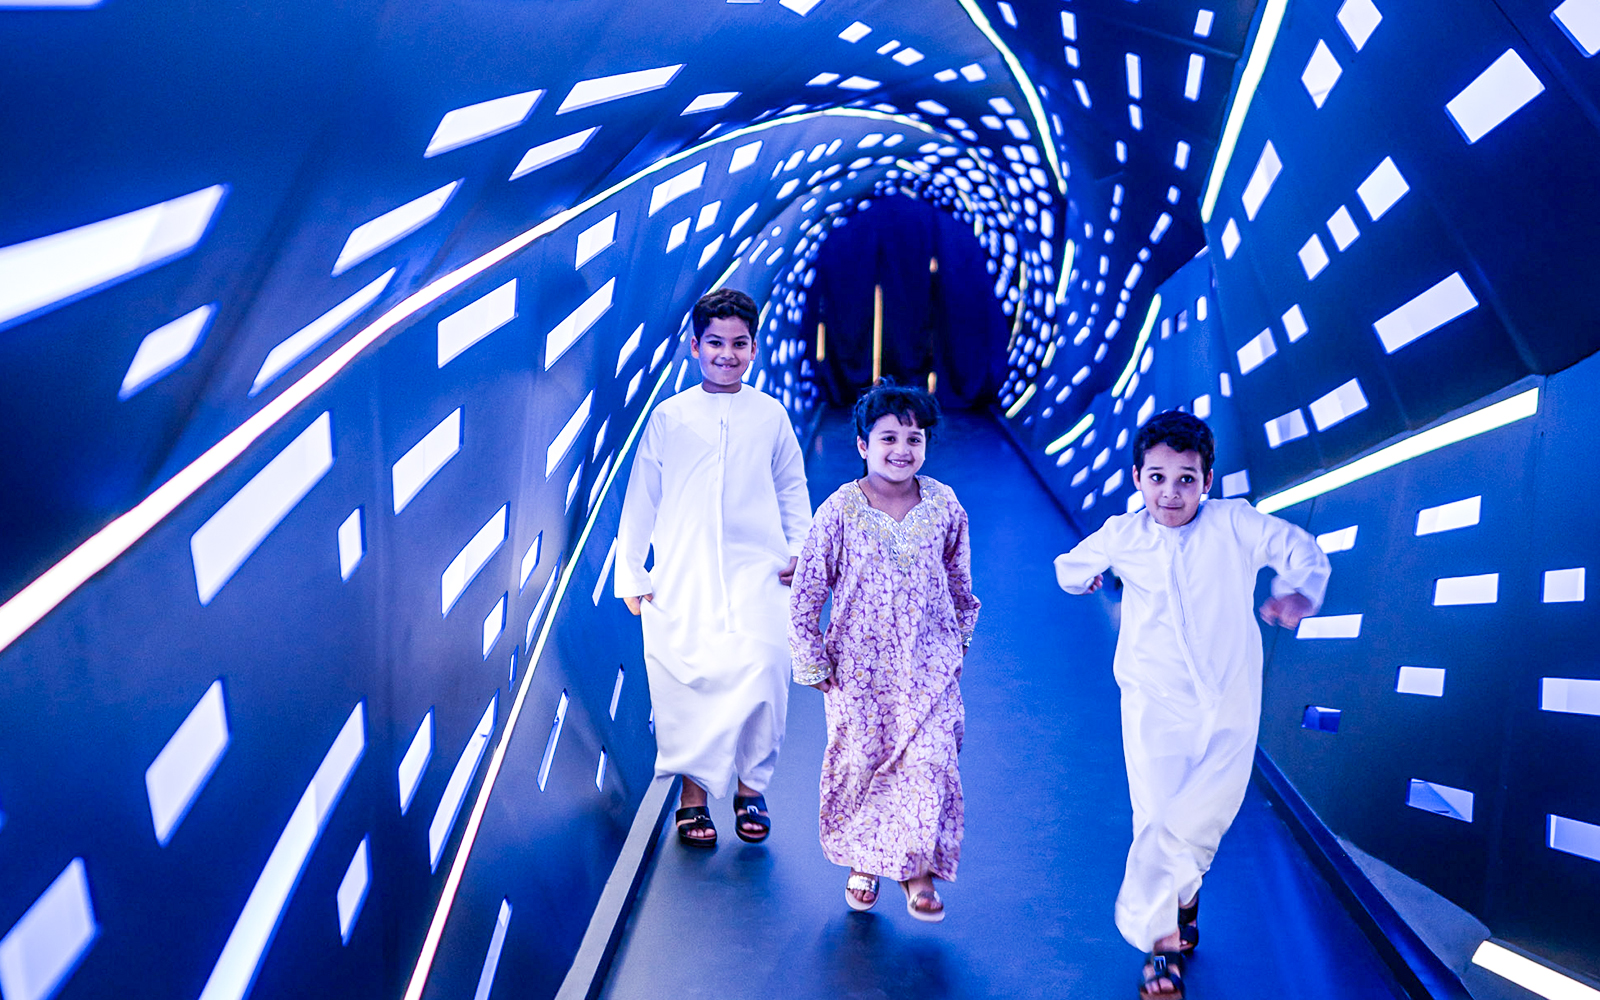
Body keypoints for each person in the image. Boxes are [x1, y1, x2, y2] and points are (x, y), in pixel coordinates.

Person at [1052, 410, 1331, 999]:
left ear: (1208, 480)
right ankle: (1159, 949)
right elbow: (1068, 568)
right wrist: (1089, 580)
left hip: (1230, 700)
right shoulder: (1123, 534)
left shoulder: (1235, 524)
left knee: (1207, 811)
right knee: (1154, 814)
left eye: (1186, 478)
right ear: (1137, 478)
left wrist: (1298, 592)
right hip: (1153, 698)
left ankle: (1184, 896)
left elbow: (1299, 548)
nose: (1170, 492)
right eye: (1157, 478)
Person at [615, 288, 812, 849]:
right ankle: (693, 797)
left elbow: (791, 488)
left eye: (740, 344)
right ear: (695, 346)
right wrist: (632, 572)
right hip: (682, 573)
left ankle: (752, 786)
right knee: (687, 681)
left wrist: (801, 550)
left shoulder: (770, 415)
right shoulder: (669, 417)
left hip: (761, 569)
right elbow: (641, 499)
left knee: (765, 668)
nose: (728, 354)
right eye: (716, 343)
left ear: (754, 348)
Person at [789, 380, 980, 923]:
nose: (902, 449)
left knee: (929, 762)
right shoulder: (840, 511)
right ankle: (863, 859)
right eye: (888, 437)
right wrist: (811, 657)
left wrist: (957, 641)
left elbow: (959, 579)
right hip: (859, 672)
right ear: (861, 445)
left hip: (929, 668)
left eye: (914, 438)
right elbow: (808, 587)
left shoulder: (943, 503)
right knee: (860, 764)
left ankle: (917, 873)